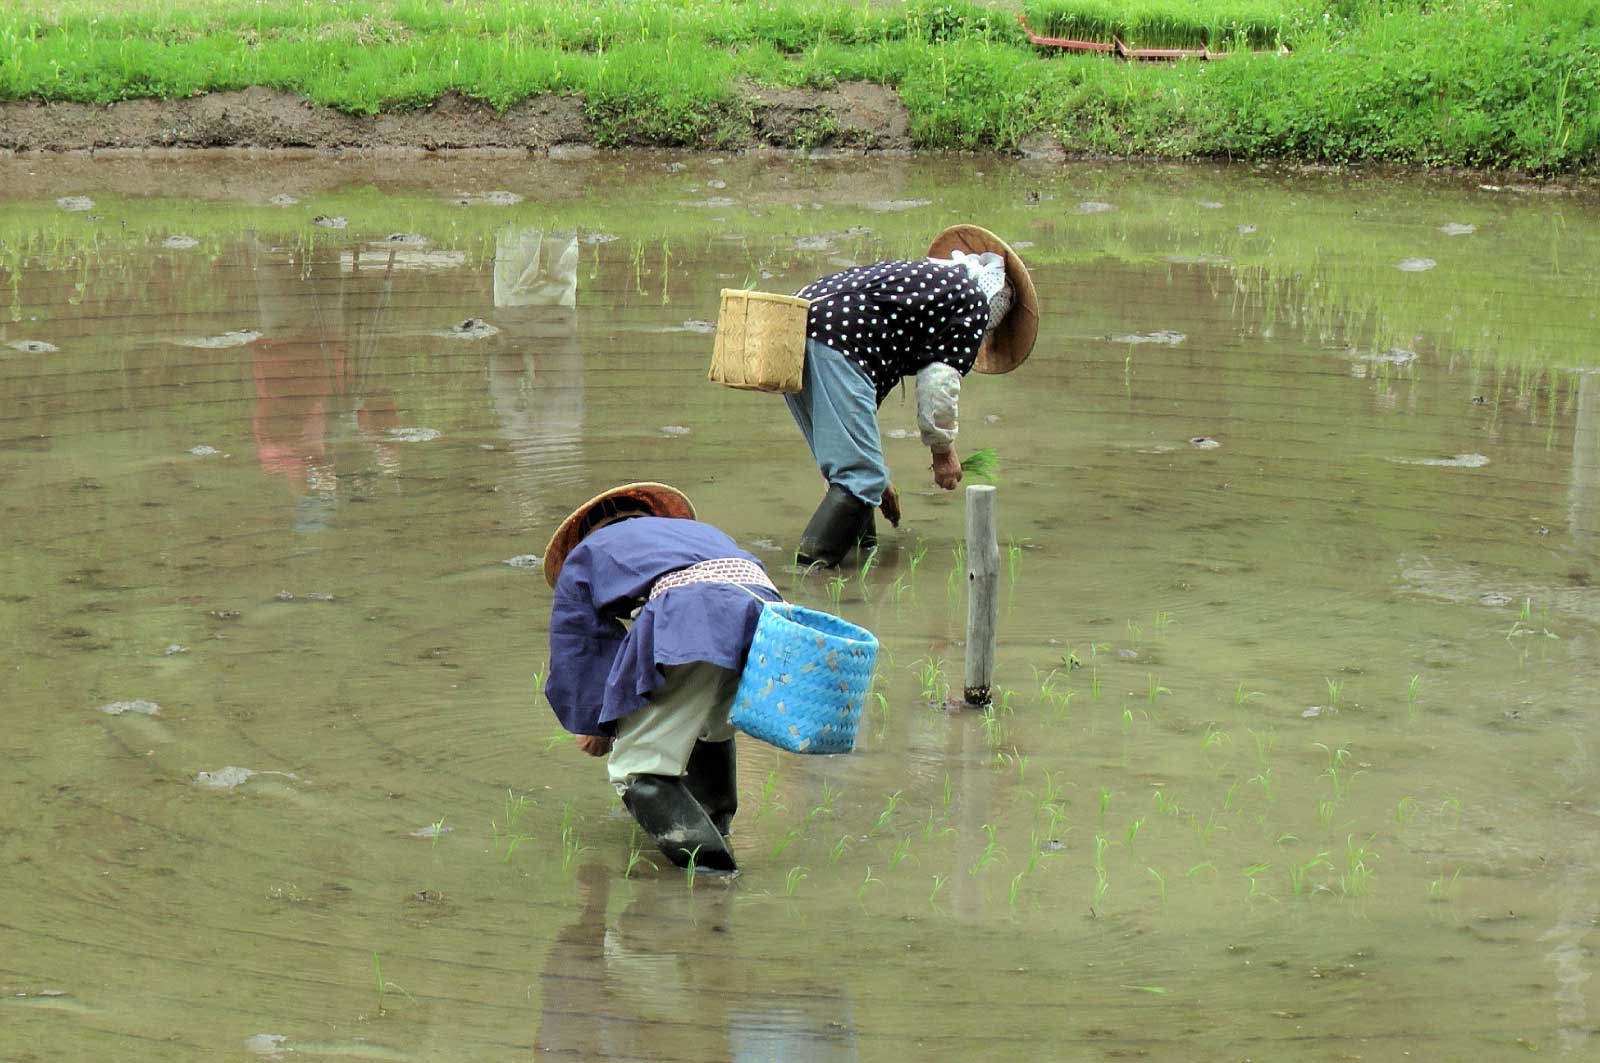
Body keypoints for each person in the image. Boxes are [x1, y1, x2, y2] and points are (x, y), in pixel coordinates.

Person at [541, 482, 780, 873]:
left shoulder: (586, 555)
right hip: (765, 615)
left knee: (636, 769)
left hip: (693, 608)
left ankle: (712, 875)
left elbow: (581, 644)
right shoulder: (699, 534)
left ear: (588, 532)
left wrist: (597, 723)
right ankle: (715, 829)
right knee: (710, 727)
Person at [787, 224, 1039, 566]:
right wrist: (943, 452)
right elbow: (938, 385)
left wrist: (876, 475)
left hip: (792, 328)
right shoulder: (973, 301)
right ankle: (808, 575)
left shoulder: (930, 282)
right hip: (839, 342)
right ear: (996, 306)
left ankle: (857, 571)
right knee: (859, 479)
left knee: (857, 477)